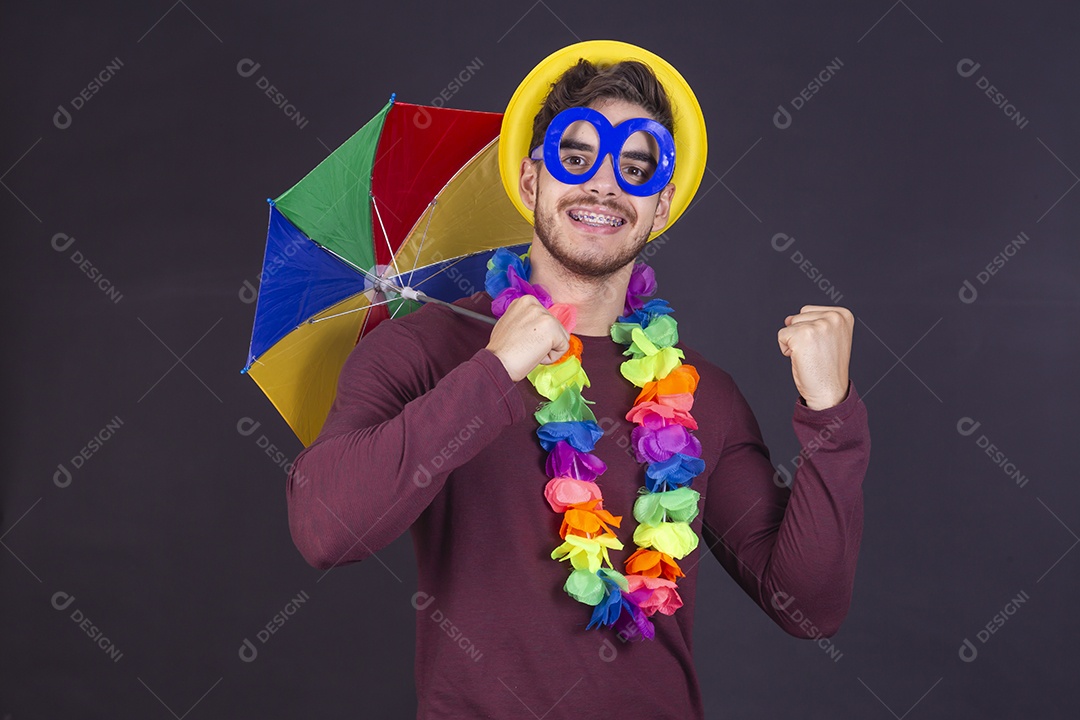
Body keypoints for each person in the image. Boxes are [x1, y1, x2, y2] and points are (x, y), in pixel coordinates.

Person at [286, 40, 870, 720]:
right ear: (531, 180)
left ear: (662, 205)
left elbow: (808, 608)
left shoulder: (701, 393)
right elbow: (326, 531)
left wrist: (830, 414)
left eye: (636, 167)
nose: (604, 185)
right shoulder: (424, 349)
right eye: (576, 156)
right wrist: (494, 371)